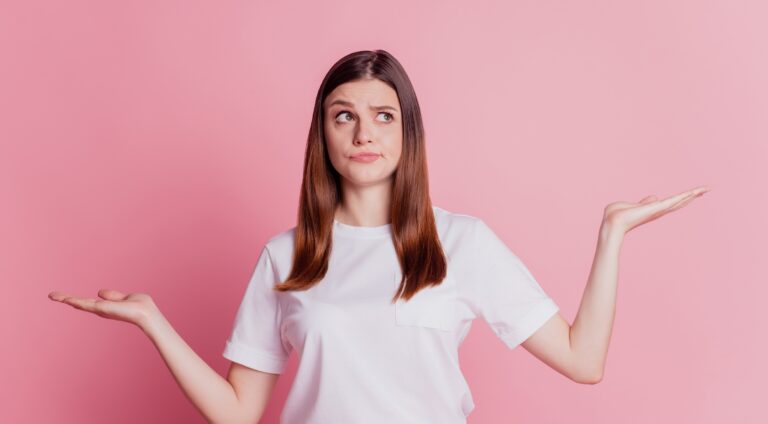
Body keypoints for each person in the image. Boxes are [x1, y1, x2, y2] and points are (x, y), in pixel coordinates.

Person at [48, 49, 710, 424]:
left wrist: (612, 233)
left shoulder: (463, 243)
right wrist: (152, 321)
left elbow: (582, 360)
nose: (364, 133)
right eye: (345, 116)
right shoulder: (287, 257)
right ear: (324, 135)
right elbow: (237, 413)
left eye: (382, 116)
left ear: (405, 133)